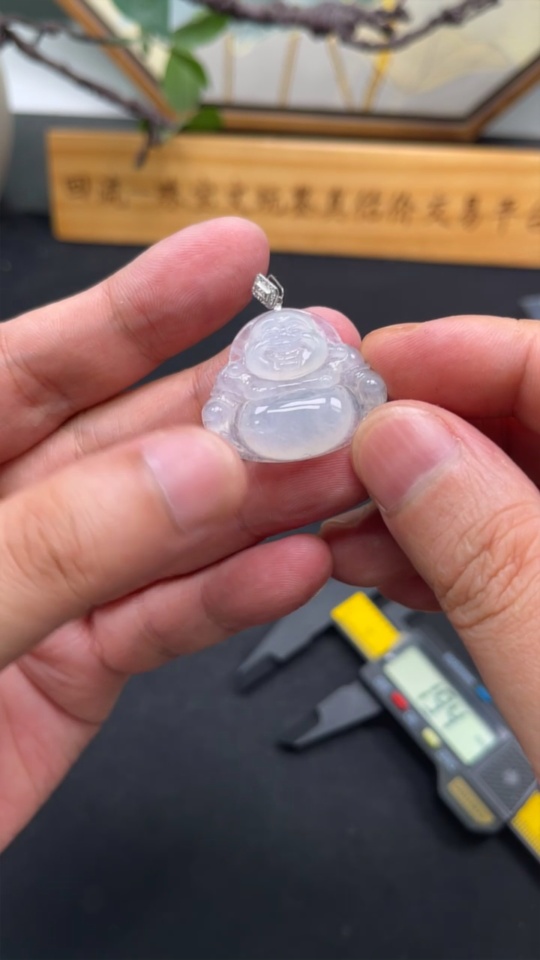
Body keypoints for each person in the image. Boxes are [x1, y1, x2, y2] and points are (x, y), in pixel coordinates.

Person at [0, 218, 537, 851]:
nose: (283, 355)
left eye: (293, 347)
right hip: (269, 423)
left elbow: (362, 387)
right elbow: (222, 412)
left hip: (321, 413)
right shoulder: (243, 381)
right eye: (273, 349)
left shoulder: (336, 369)